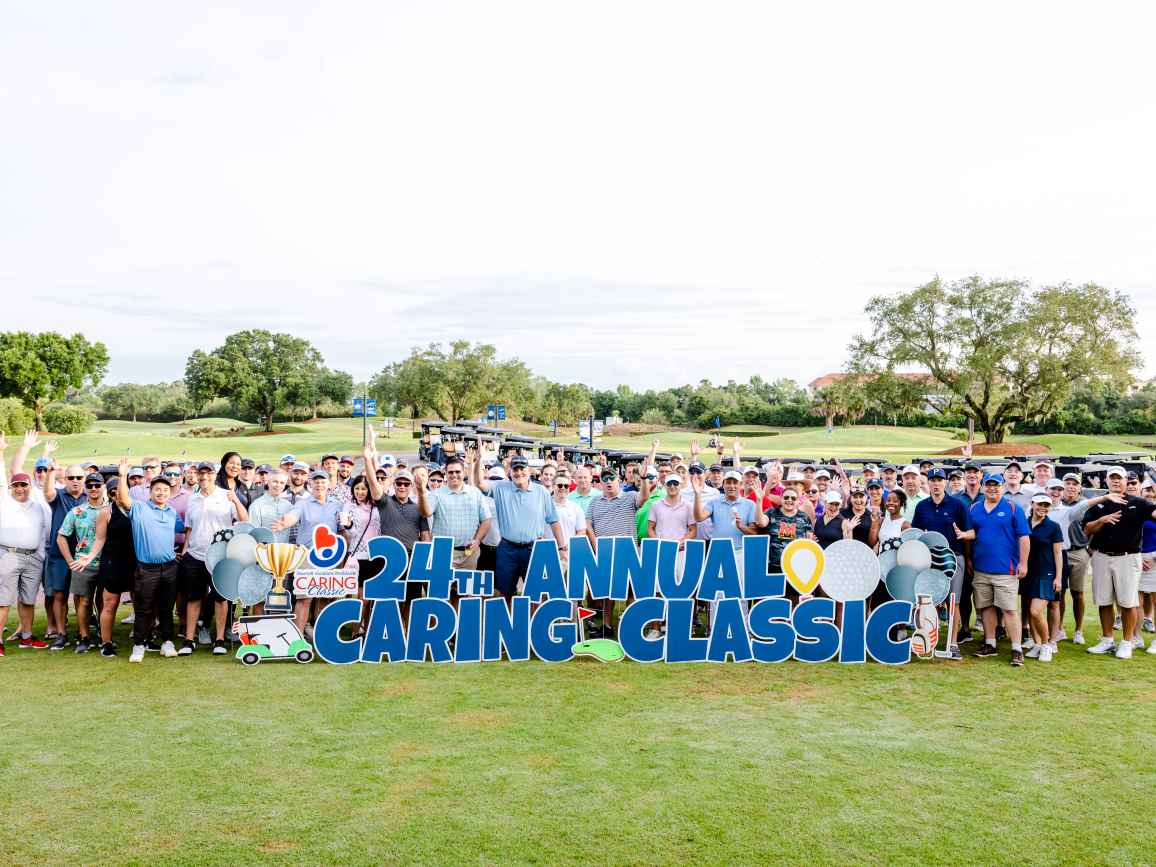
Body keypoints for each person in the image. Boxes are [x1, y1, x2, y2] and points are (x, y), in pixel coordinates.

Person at [471, 450, 566, 609]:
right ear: (510, 472)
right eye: (515, 469)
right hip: (508, 549)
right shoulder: (500, 488)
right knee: (506, 591)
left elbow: (554, 521)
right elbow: (479, 483)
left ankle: (532, 626)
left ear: (529, 471)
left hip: (534, 548)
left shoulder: (541, 491)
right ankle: (508, 626)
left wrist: (562, 547)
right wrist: (478, 462)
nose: (519, 473)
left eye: (522, 469)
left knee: (535, 592)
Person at [114, 457, 184, 663]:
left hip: (170, 567)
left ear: (169, 493)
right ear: (150, 492)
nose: (161, 492)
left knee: (166, 607)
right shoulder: (139, 508)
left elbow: (182, 530)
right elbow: (123, 499)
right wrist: (122, 475)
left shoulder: (172, 513)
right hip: (146, 569)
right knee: (143, 609)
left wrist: (183, 548)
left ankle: (167, 642)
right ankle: (139, 644)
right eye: (157, 490)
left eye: (165, 490)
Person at [1081, 466, 1156, 659]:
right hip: (1101, 557)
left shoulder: (1139, 503)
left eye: (1120, 478)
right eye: (1112, 478)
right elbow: (1087, 529)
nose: (1116, 481)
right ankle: (1107, 640)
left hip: (1128, 557)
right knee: (1104, 600)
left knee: (1128, 602)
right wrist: (1102, 521)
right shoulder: (1099, 504)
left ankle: (1126, 642)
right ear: (1107, 481)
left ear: (1125, 481)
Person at [957, 473, 1029, 666]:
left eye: (995, 485)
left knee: (1009, 609)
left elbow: (1024, 537)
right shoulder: (975, 508)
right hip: (981, 568)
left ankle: (1016, 648)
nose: (992, 488)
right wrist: (970, 558)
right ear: (982, 487)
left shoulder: (1013, 508)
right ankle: (990, 643)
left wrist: (1023, 563)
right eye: (988, 485)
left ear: (1002, 487)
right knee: (985, 607)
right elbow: (972, 534)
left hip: (1006, 569)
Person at [180, 461, 248, 656]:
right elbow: (190, 528)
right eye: (201, 473)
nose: (204, 477)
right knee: (193, 598)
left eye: (208, 473)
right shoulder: (192, 499)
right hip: (195, 555)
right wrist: (185, 549)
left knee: (220, 599)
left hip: (219, 555)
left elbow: (245, 520)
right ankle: (188, 639)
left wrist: (235, 500)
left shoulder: (225, 495)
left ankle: (219, 639)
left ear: (215, 474)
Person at [273, 469, 349, 631]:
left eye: (323, 481)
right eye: (316, 481)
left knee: (325, 597)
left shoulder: (337, 505)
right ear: (310, 484)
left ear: (329, 484)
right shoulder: (302, 503)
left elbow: (342, 529)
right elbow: (293, 516)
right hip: (307, 557)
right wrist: (285, 523)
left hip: (330, 557)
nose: (319, 484)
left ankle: (321, 636)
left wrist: (343, 556)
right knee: (304, 598)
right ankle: (297, 638)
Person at [586, 463, 653, 635]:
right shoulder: (594, 502)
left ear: (619, 480)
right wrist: (596, 546)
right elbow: (588, 524)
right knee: (609, 592)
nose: (608, 482)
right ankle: (607, 626)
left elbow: (644, 497)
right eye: (605, 479)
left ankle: (630, 625)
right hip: (605, 552)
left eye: (612, 478)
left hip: (627, 551)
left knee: (631, 589)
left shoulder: (630, 497)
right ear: (601, 483)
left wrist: (644, 479)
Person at [0, 433, 52, 652]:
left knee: (29, 599)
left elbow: (43, 532)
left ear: (30, 485)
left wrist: (39, 555)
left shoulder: (37, 504)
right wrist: (2, 451)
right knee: (3, 600)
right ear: (12, 487)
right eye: (16, 485)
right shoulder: (4, 500)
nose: (20, 488)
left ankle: (27, 637)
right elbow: (3, 476)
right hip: (9, 555)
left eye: (24, 484)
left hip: (33, 557)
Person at [911, 467, 971, 648]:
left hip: (953, 558)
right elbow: (916, 532)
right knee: (930, 601)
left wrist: (963, 535)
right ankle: (930, 640)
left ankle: (952, 643)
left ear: (945, 482)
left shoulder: (958, 505)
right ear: (927, 483)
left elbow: (972, 532)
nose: (936, 484)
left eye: (939, 480)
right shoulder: (922, 506)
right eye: (932, 480)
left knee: (954, 601)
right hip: (930, 561)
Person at [38, 442, 88, 649]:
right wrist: (50, 471)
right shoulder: (58, 496)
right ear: (64, 479)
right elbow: (47, 492)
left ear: (84, 479)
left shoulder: (91, 496)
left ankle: (82, 633)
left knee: (81, 596)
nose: (75, 481)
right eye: (71, 477)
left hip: (83, 555)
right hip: (59, 554)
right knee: (59, 594)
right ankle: (61, 633)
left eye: (79, 477)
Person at [55, 472, 108, 653]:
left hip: (106, 564)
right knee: (83, 602)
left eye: (97, 485)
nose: (94, 489)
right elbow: (61, 536)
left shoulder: (111, 509)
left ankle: (104, 635)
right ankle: (84, 636)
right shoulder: (77, 511)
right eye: (90, 485)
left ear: (103, 487)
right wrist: (70, 560)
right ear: (86, 489)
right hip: (82, 564)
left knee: (104, 602)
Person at [90, 477, 136, 656]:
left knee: (141, 603)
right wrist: (89, 557)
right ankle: (106, 642)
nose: (116, 493)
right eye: (112, 491)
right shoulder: (106, 512)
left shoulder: (137, 509)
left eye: (120, 489)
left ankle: (142, 638)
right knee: (110, 603)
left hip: (135, 562)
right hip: (113, 563)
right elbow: (99, 539)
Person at [1023, 494, 1064, 662]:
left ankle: (1047, 645)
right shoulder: (1023, 523)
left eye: (1047, 505)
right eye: (1040, 504)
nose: (1043, 507)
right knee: (1029, 611)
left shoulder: (1053, 526)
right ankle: (1037, 643)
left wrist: (1059, 577)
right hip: (1027, 573)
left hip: (1046, 573)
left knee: (1035, 610)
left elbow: (1058, 553)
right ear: (1032, 504)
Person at [339, 473, 380, 634]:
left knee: (372, 596)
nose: (360, 492)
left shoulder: (376, 506)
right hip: (358, 555)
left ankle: (370, 628)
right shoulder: (348, 506)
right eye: (357, 488)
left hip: (376, 555)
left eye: (363, 489)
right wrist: (348, 525)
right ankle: (357, 629)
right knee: (361, 597)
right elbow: (352, 533)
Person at [754, 479, 813, 575]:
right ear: (781, 499)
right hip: (773, 567)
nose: (789, 500)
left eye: (793, 498)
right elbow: (760, 522)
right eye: (786, 497)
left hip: (796, 568)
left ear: (798, 501)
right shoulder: (772, 512)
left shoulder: (804, 517)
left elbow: (809, 541)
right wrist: (759, 500)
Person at [248, 469, 294, 543]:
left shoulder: (289, 506)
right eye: (275, 481)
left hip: (284, 551)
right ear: (268, 482)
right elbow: (253, 534)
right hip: (264, 552)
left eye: (282, 483)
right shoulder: (256, 505)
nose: (278, 485)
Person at [550, 471, 587, 542]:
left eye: (566, 486)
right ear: (553, 486)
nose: (563, 488)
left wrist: (569, 545)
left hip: (569, 550)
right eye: (560, 485)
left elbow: (581, 531)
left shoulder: (576, 508)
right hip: (550, 549)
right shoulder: (545, 506)